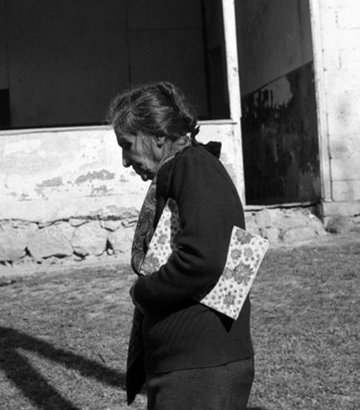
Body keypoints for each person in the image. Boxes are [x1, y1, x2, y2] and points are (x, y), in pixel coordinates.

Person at [105, 81, 255, 409]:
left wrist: (142, 293)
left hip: (200, 372)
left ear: (157, 136)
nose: (125, 161)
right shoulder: (189, 169)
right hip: (192, 367)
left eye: (127, 144)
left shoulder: (195, 168)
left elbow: (203, 261)